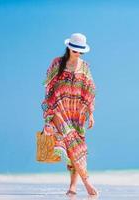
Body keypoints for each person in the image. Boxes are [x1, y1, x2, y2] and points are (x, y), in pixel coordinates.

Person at [41, 33, 98, 196]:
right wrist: (49, 114)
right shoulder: (57, 63)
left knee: (76, 148)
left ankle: (73, 186)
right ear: (69, 48)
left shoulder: (85, 67)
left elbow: (90, 91)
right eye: (75, 50)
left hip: (77, 114)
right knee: (71, 145)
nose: (78, 54)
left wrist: (91, 114)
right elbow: (48, 88)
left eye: (81, 51)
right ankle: (87, 183)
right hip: (59, 111)